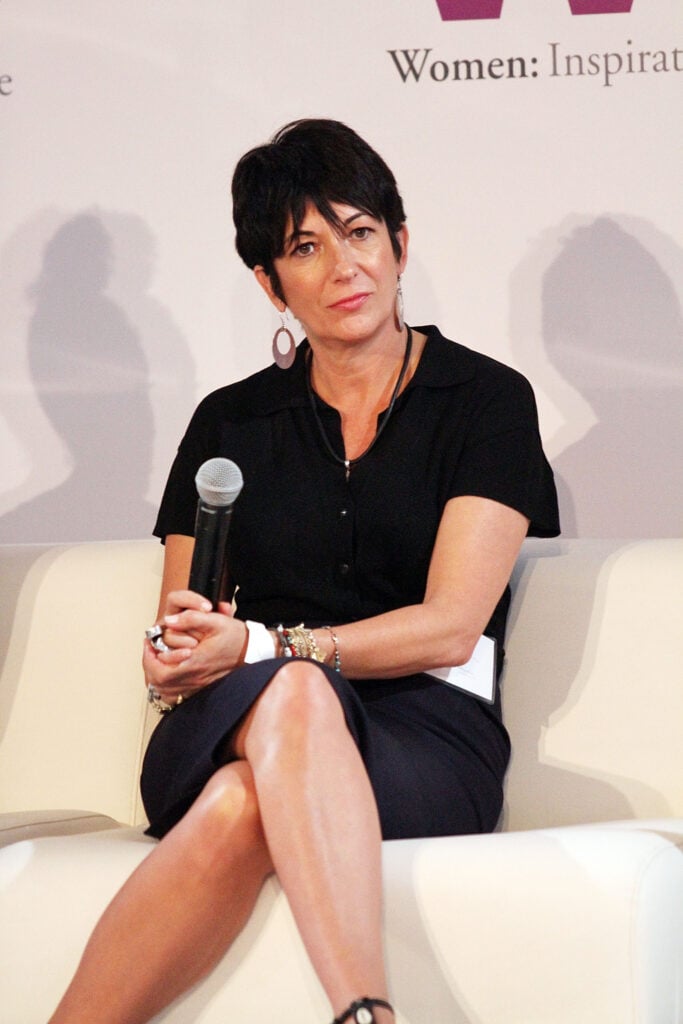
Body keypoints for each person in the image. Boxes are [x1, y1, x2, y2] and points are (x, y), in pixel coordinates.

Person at [49, 118, 559, 1024]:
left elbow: (449, 624)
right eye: (305, 247)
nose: (343, 268)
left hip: (424, 738)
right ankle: (367, 1013)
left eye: (360, 233)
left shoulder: (484, 402)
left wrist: (267, 646)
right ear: (268, 281)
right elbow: (184, 617)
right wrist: (177, 654)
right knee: (282, 704)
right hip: (231, 723)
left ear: (400, 245)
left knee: (260, 764)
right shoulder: (229, 423)